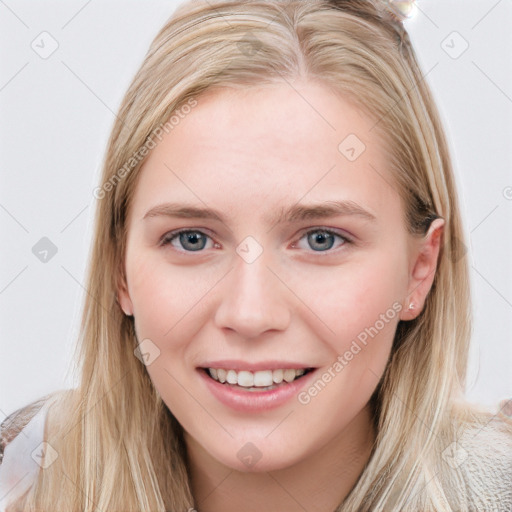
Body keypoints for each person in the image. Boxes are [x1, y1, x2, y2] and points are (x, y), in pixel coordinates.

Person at [1, 0, 511, 510]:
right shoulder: (23, 474)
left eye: (321, 239)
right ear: (120, 270)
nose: (250, 314)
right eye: (192, 239)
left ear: (420, 270)